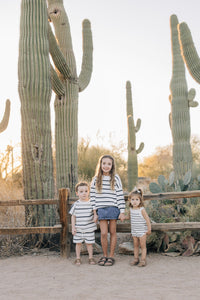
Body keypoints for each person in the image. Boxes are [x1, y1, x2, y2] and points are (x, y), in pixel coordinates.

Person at [90, 154, 125, 266]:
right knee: (104, 233)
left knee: (112, 232)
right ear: (100, 165)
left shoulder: (115, 178)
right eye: (104, 163)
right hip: (101, 209)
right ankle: (104, 255)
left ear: (112, 166)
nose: (106, 166)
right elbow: (93, 197)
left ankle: (111, 256)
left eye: (109, 164)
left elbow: (119, 195)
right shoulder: (95, 180)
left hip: (113, 208)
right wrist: (95, 213)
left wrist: (122, 211)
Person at [69, 181, 97, 266]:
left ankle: (90, 257)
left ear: (89, 192)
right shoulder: (76, 204)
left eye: (86, 191)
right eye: (81, 192)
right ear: (77, 193)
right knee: (78, 244)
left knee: (89, 244)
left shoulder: (92, 203)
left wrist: (95, 216)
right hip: (79, 228)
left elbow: (95, 212)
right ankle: (78, 258)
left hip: (89, 228)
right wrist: (73, 227)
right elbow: (73, 216)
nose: (84, 193)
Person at [126, 188, 151, 267]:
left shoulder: (141, 210)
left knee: (143, 246)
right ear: (130, 200)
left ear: (140, 200)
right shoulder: (131, 209)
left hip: (142, 231)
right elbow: (128, 217)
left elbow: (147, 219)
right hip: (134, 231)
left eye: (137, 199)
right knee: (136, 245)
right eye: (133, 199)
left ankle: (143, 260)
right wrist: (122, 217)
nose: (135, 201)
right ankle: (136, 259)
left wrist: (149, 229)